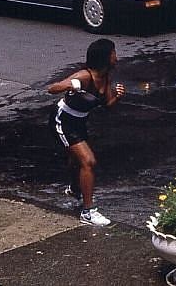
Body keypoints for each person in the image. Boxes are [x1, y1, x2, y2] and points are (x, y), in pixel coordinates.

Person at [47, 38, 126, 226]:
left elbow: (107, 105)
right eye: (113, 52)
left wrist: (118, 96)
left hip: (79, 122)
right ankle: (88, 212)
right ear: (105, 57)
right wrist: (71, 85)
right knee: (88, 161)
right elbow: (52, 88)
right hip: (62, 120)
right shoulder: (84, 76)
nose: (116, 56)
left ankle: (75, 189)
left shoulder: (105, 77)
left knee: (76, 160)